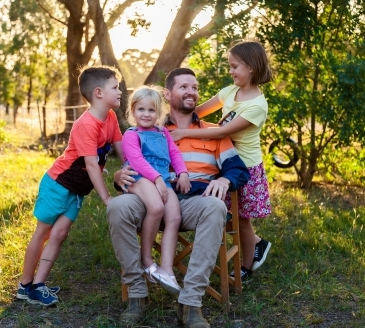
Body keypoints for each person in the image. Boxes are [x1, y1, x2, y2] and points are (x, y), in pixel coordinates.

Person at [107, 68, 250, 328]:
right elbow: (134, 163)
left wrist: (224, 179)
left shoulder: (213, 131)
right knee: (118, 207)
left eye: (194, 87)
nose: (191, 92)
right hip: (150, 198)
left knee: (216, 207)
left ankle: (190, 302)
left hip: (195, 200)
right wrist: (119, 177)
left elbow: (238, 170)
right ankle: (137, 293)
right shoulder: (150, 127)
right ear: (167, 94)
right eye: (184, 87)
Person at [16, 65, 124, 306]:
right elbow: (91, 164)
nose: (120, 92)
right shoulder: (86, 124)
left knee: (60, 234)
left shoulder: (111, 117)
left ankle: (39, 285)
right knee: (43, 233)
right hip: (58, 184)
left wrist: (130, 168)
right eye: (115, 87)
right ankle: (25, 284)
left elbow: (120, 145)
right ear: (98, 92)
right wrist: (107, 198)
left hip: (77, 190)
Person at [170, 40, 273, 282]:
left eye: (234, 66)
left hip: (244, 166)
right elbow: (198, 113)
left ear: (251, 67)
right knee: (226, 214)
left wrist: (185, 133)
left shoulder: (258, 105)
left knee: (241, 219)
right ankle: (257, 243)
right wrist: (170, 116)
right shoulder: (229, 92)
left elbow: (220, 132)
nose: (230, 71)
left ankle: (247, 265)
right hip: (222, 160)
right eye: (230, 66)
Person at [122, 85, 191, 294]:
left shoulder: (163, 133)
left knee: (174, 217)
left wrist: (183, 173)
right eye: (141, 109)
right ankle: (146, 259)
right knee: (156, 207)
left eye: (151, 110)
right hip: (138, 177)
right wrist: (159, 179)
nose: (146, 114)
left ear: (159, 113)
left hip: (163, 179)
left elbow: (175, 154)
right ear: (133, 111)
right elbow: (137, 161)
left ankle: (166, 269)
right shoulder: (131, 134)